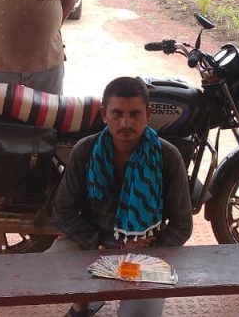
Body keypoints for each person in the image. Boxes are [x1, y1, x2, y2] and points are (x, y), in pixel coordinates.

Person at [52, 77, 193, 317]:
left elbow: (182, 225)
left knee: (141, 314)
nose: (126, 123)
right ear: (104, 114)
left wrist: (151, 249)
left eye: (135, 114)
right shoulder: (85, 151)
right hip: (93, 243)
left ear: (148, 114)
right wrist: (104, 244)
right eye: (117, 114)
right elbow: (62, 211)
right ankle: (81, 307)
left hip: (146, 249)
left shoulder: (168, 156)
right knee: (55, 261)